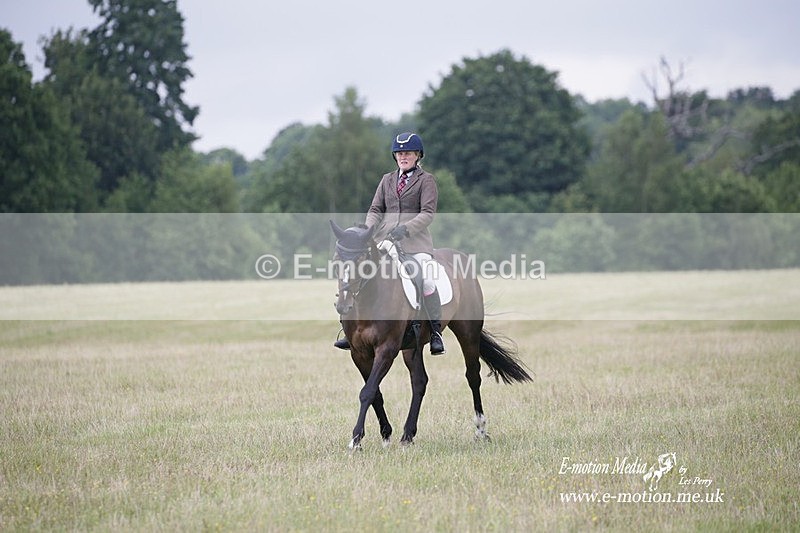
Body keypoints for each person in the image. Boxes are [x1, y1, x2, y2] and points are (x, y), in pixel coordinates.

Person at [334, 132, 445, 355]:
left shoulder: (426, 181)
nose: (404, 157)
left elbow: (427, 213)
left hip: (415, 243)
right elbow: (376, 209)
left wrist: (406, 229)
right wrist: (369, 230)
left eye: (409, 153)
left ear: (417, 155)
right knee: (359, 273)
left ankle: (435, 332)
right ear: (395, 156)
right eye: (400, 153)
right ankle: (350, 330)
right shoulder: (387, 180)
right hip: (384, 240)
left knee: (427, 280)